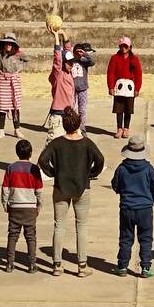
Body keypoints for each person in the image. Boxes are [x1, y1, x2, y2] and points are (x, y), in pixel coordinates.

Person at [39, 105, 106, 277]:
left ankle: (57, 264)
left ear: (64, 124)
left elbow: (42, 160)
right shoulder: (87, 143)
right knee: (81, 226)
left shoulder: (56, 144)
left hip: (61, 188)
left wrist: (53, 173)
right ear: (78, 124)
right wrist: (91, 174)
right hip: (82, 188)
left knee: (59, 225)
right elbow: (100, 160)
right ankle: (82, 266)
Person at [111, 134, 154, 277]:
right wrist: (152, 200)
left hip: (127, 207)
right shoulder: (148, 168)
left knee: (126, 238)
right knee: (145, 238)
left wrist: (123, 193)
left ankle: (122, 266)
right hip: (145, 208)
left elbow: (115, 185)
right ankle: (145, 267)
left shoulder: (121, 168)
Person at [1, 137, 44, 273]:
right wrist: (39, 206)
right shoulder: (35, 169)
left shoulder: (11, 168)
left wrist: (5, 203)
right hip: (30, 207)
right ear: (30, 153)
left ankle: (9, 263)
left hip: (14, 206)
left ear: (16, 152)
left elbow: (5, 188)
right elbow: (39, 191)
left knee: (13, 235)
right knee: (30, 236)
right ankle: (32, 264)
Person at [107, 36, 143, 139]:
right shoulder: (114, 58)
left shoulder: (134, 59)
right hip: (119, 88)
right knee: (119, 109)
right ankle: (119, 128)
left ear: (130, 47)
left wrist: (137, 88)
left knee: (128, 109)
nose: (123, 49)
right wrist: (111, 87)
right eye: (122, 46)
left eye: (126, 47)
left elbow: (138, 74)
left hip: (130, 89)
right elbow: (111, 73)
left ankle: (126, 128)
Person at [0, 33, 28, 139]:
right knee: (2, 107)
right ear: (3, 44)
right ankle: (1, 130)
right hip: (3, 81)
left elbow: (27, 60)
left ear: (14, 45)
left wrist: (19, 69)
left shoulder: (19, 54)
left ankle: (17, 130)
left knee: (15, 107)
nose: (8, 45)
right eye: (6, 43)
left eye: (10, 43)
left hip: (14, 81)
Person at [47, 37, 76, 134]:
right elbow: (57, 60)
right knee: (55, 142)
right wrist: (55, 37)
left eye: (73, 62)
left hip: (69, 113)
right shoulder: (58, 74)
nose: (72, 65)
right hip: (58, 114)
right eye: (69, 63)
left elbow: (68, 51)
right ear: (63, 63)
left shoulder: (69, 73)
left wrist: (64, 36)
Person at [71, 42, 96, 128]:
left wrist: (84, 54)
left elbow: (92, 62)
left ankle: (82, 127)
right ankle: (72, 126)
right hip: (72, 89)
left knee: (82, 110)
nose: (78, 54)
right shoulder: (70, 60)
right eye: (76, 52)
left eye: (80, 52)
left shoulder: (84, 61)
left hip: (83, 88)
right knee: (72, 109)